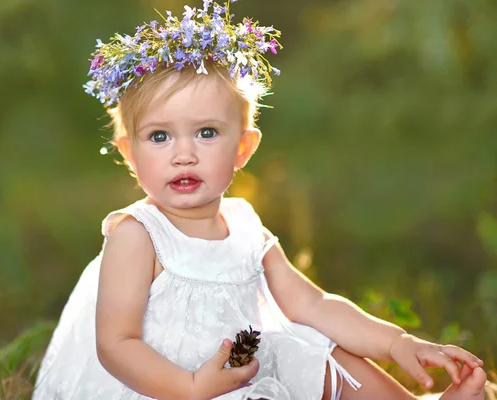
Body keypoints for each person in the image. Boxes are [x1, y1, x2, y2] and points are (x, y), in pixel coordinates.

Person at [32, 1, 488, 399]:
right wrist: (189, 389)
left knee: (324, 353)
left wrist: (396, 343)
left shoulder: (244, 224)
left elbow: (312, 304)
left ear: (243, 149)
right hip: (163, 383)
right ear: (130, 154)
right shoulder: (138, 236)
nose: (184, 153)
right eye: (159, 136)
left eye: (206, 132)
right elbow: (117, 343)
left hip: (237, 365)